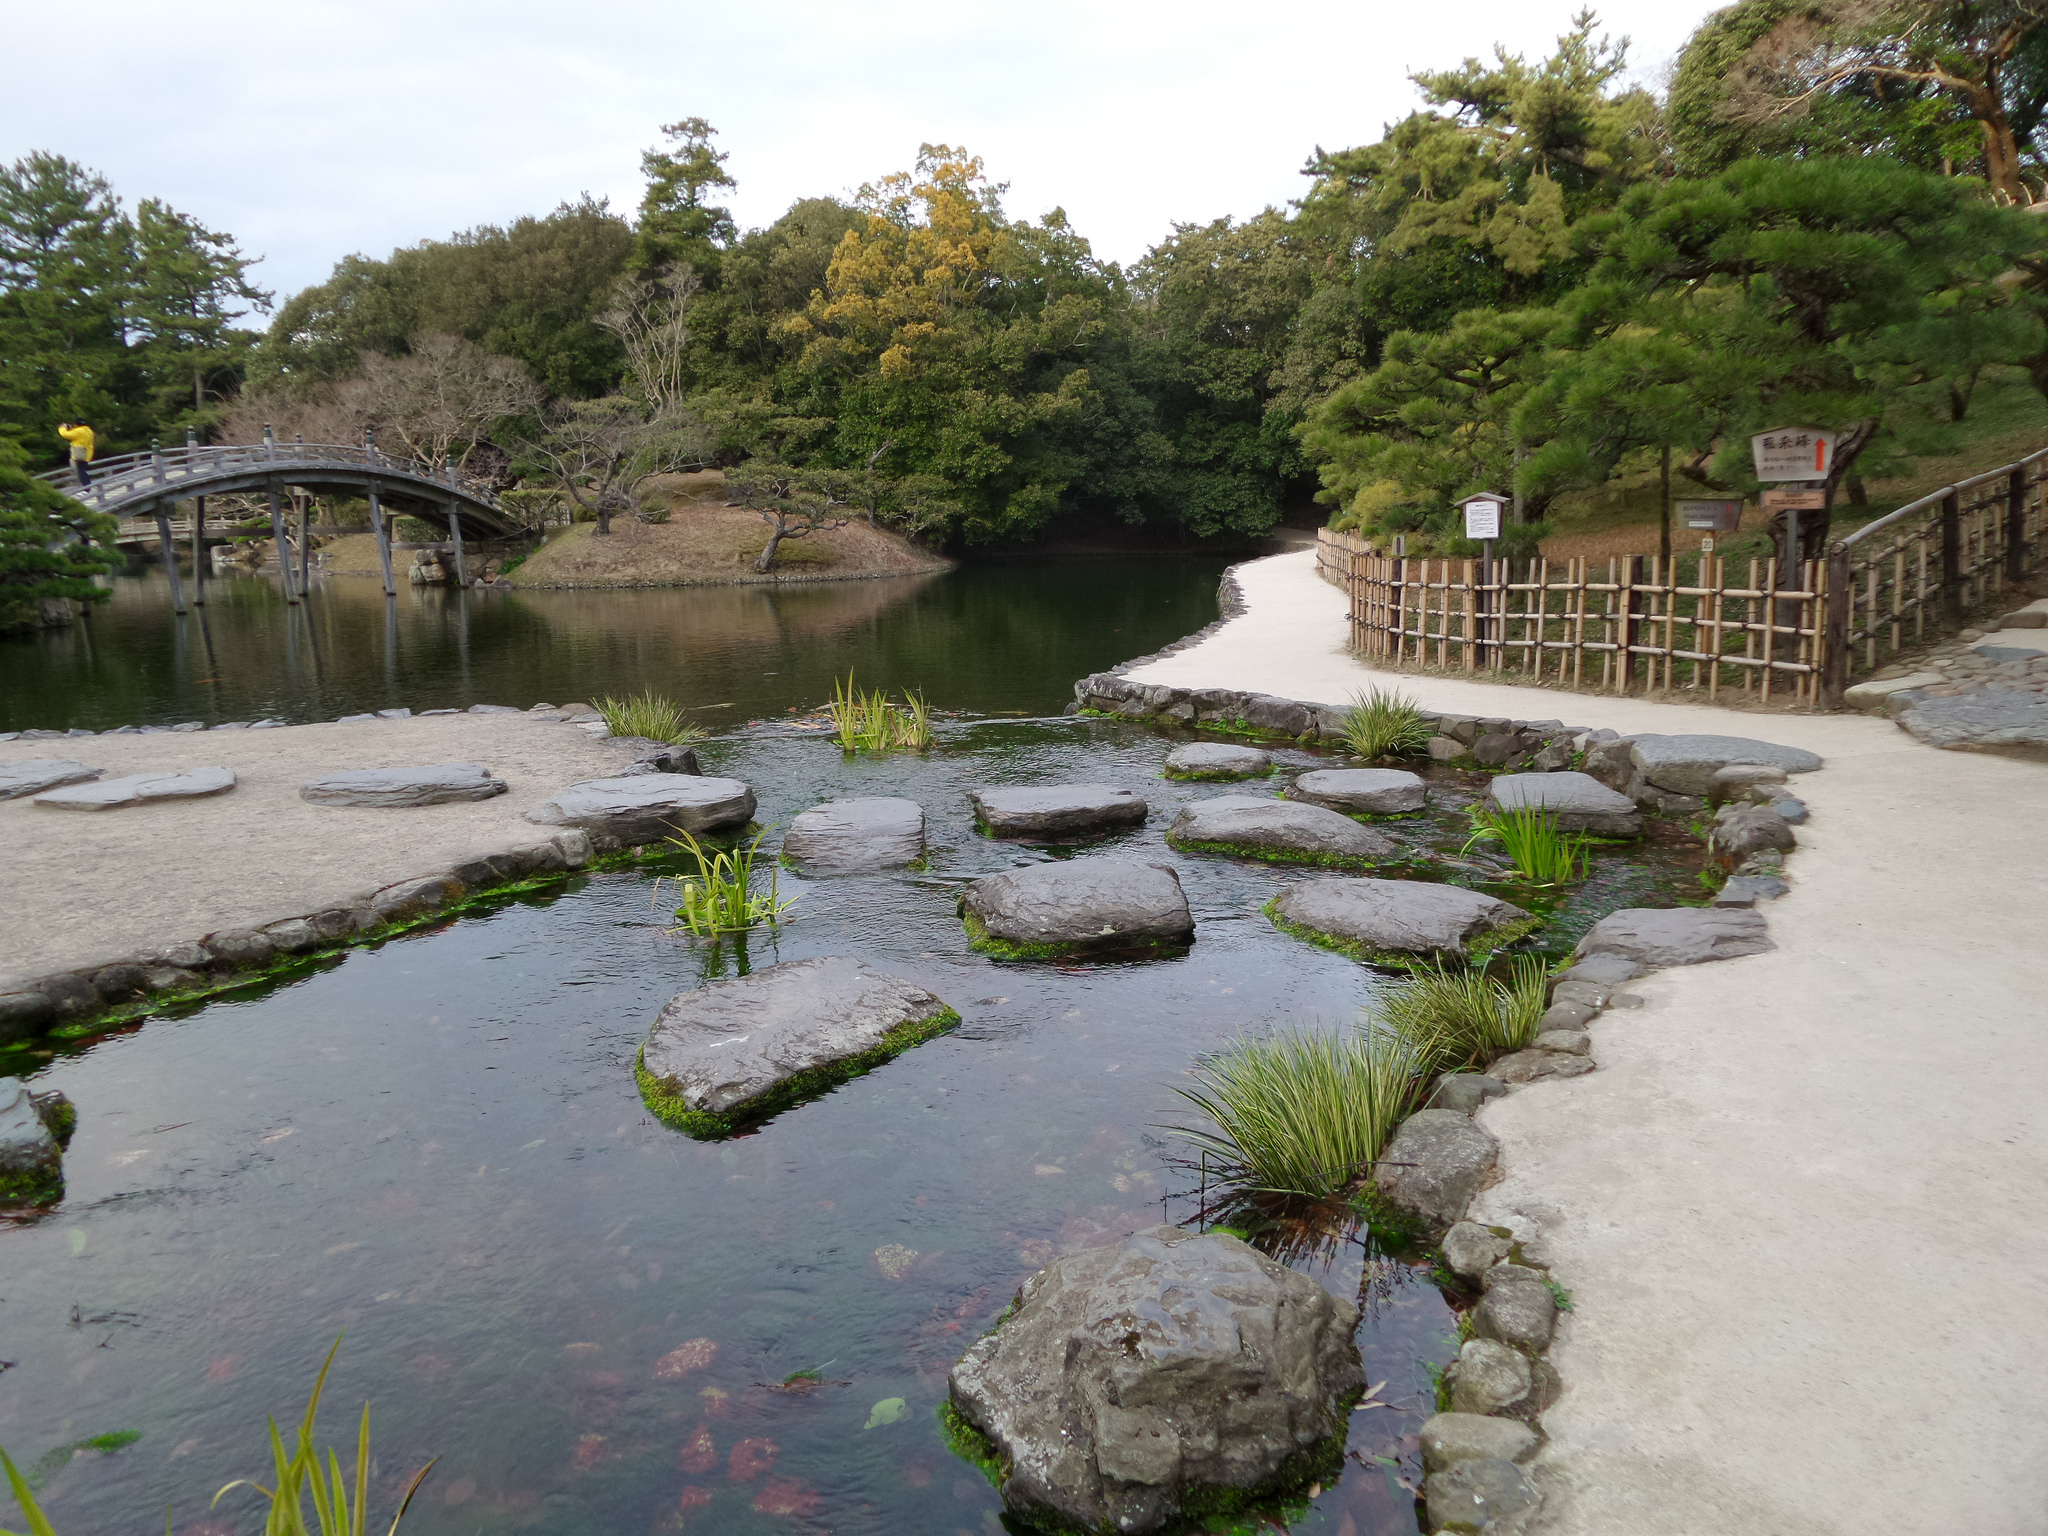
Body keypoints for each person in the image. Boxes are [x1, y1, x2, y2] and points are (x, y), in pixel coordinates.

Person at [57, 422, 95, 488]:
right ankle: (87, 487)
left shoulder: (79, 431)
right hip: (86, 454)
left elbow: (65, 434)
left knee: (81, 473)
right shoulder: (89, 431)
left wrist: (62, 427)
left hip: (79, 455)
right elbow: (76, 436)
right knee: (83, 472)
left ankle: (86, 489)